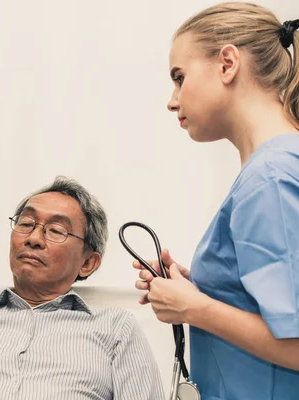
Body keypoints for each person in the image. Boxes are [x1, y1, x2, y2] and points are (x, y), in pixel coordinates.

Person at [132, 3, 299, 399]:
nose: (172, 101)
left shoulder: (271, 178)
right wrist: (202, 289)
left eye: (179, 78)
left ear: (227, 63)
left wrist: (194, 309)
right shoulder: (275, 169)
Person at [0, 177, 164, 400]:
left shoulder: (117, 329)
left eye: (56, 230)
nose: (34, 239)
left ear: (87, 263)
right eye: (26, 224)